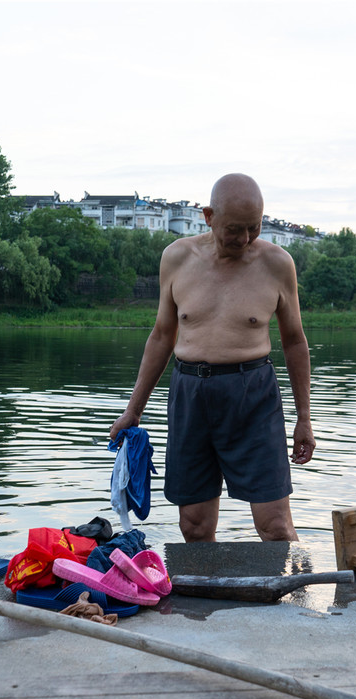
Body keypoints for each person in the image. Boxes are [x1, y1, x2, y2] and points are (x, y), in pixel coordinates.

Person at [109, 173, 315, 543]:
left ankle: (294, 598)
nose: (245, 239)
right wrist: (133, 410)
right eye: (234, 229)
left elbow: (295, 342)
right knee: (194, 525)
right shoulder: (176, 258)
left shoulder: (277, 264)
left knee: (276, 526)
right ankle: (212, 599)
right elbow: (161, 337)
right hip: (190, 394)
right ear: (208, 216)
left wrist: (304, 418)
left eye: (254, 228)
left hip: (253, 396)